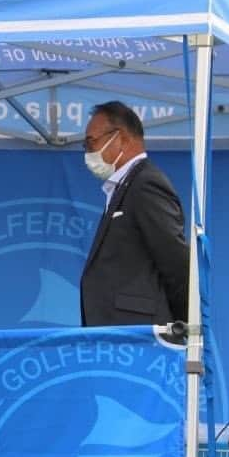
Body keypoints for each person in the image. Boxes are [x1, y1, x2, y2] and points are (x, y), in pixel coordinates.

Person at [79, 100, 189, 327]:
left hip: (138, 331)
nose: (88, 152)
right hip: (115, 330)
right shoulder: (123, 186)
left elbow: (176, 263)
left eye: (91, 143)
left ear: (122, 139)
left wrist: (178, 327)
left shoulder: (146, 185)